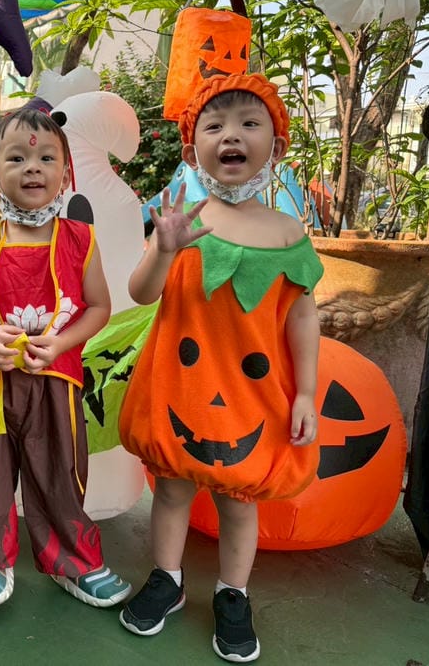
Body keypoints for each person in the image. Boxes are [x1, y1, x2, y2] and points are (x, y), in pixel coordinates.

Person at [117, 73, 322, 663]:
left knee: (239, 501)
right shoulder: (182, 220)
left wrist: (306, 393)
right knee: (171, 490)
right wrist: (164, 249)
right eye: (215, 125)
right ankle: (167, 577)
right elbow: (141, 294)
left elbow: (302, 318)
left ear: (275, 147)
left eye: (249, 123)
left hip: (251, 398)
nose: (231, 135)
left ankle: (234, 592)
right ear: (192, 150)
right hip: (183, 387)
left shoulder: (287, 232)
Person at [0, 107, 132, 618]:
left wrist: (60, 344)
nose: (32, 167)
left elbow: (99, 307)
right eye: (16, 158)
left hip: (56, 382)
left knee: (60, 473)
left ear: (65, 171)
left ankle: (73, 561)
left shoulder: (81, 240)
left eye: (46, 158)